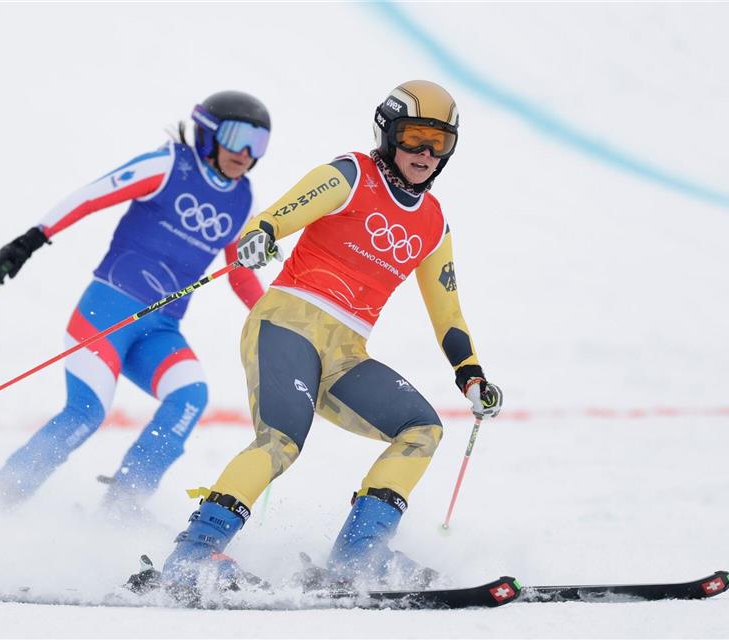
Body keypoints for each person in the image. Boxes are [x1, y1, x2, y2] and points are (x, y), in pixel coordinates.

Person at [157, 80, 504, 595]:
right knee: (282, 441)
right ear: (387, 135)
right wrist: (262, 235)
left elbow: (447, 311)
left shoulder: (433, 224)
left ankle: (358, 556)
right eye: (413, 137)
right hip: (287, 324)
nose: (426, 154)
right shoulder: (350, 175)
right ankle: (193, 554)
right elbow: (279, 214)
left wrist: (470, 373)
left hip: (345, 354)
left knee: (421, 429)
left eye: (440, 142)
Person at [0, 91, 270, 520]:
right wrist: (32, 239)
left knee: (189, 396)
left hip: (160, 329)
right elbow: (91, 196)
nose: (246, 153)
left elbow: (240, 270)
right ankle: (2, 498)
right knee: (87, 412)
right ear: (209, 133)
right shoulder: (170, 165)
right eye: (237, 136)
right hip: (107, 312)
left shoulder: (242, 199)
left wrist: (274, 317)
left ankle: (124, 502)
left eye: (260, 143)